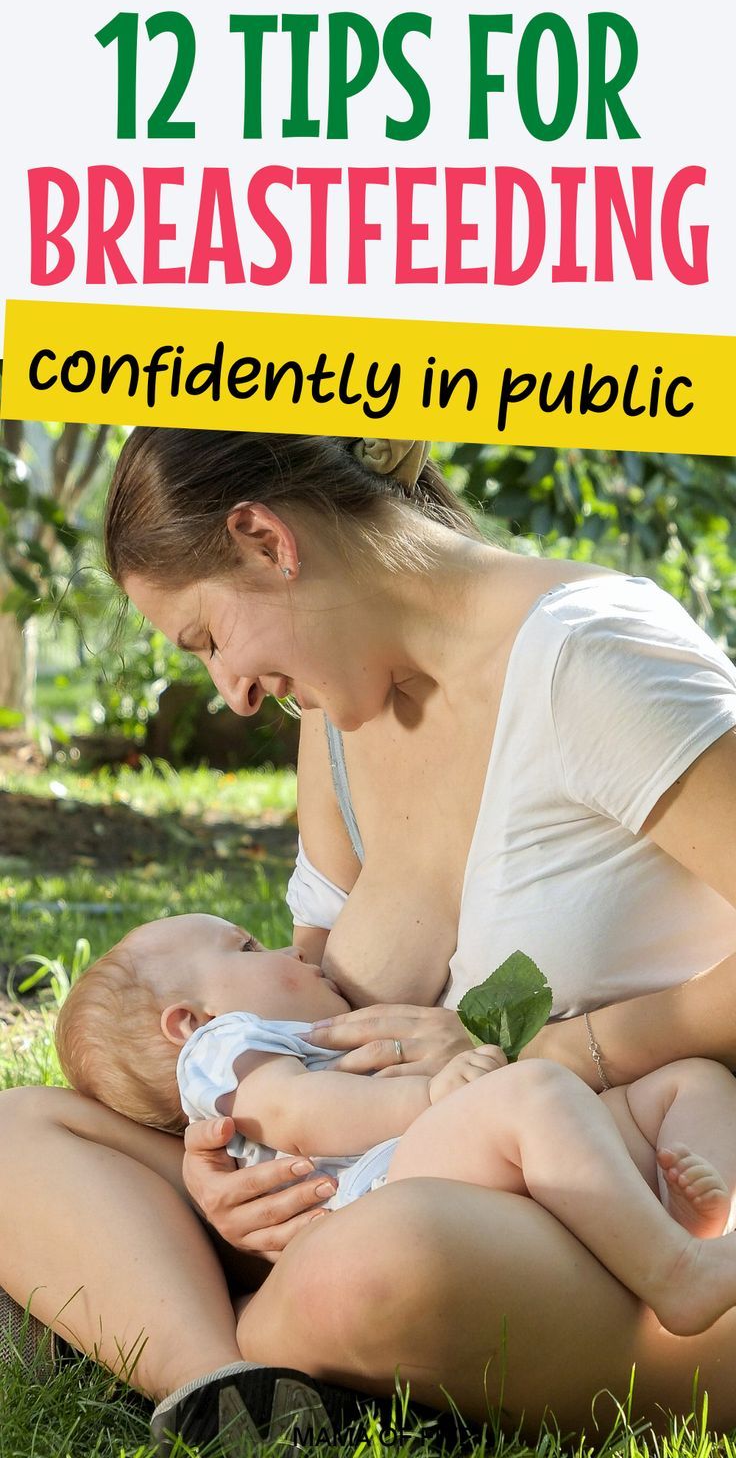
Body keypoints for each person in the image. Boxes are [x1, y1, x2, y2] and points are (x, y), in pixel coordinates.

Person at [1, 428, 736, 1453]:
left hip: (618, 1192)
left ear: (264, 538)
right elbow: (297, 1001)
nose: (231, 690)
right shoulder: (339, 708)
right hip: (387, 1167)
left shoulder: (587, 659)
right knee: (18, 1132)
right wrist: (228, 1168)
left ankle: (173, 1324)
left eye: (208, 637)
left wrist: (571, 1050)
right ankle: (224, 1377)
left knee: (381, 1258)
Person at [54, 908, 736, 1342]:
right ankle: (678, 1276)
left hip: (450, 1156)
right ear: (189, 1020)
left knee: (690, 1085)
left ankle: (682, 1226)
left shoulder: (264, 1041)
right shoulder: (221, 1050)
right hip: (388, 1184)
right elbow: (298, 1115)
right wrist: (432, 1096)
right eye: (246, 945)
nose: (290, 954)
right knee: (533, 1093)